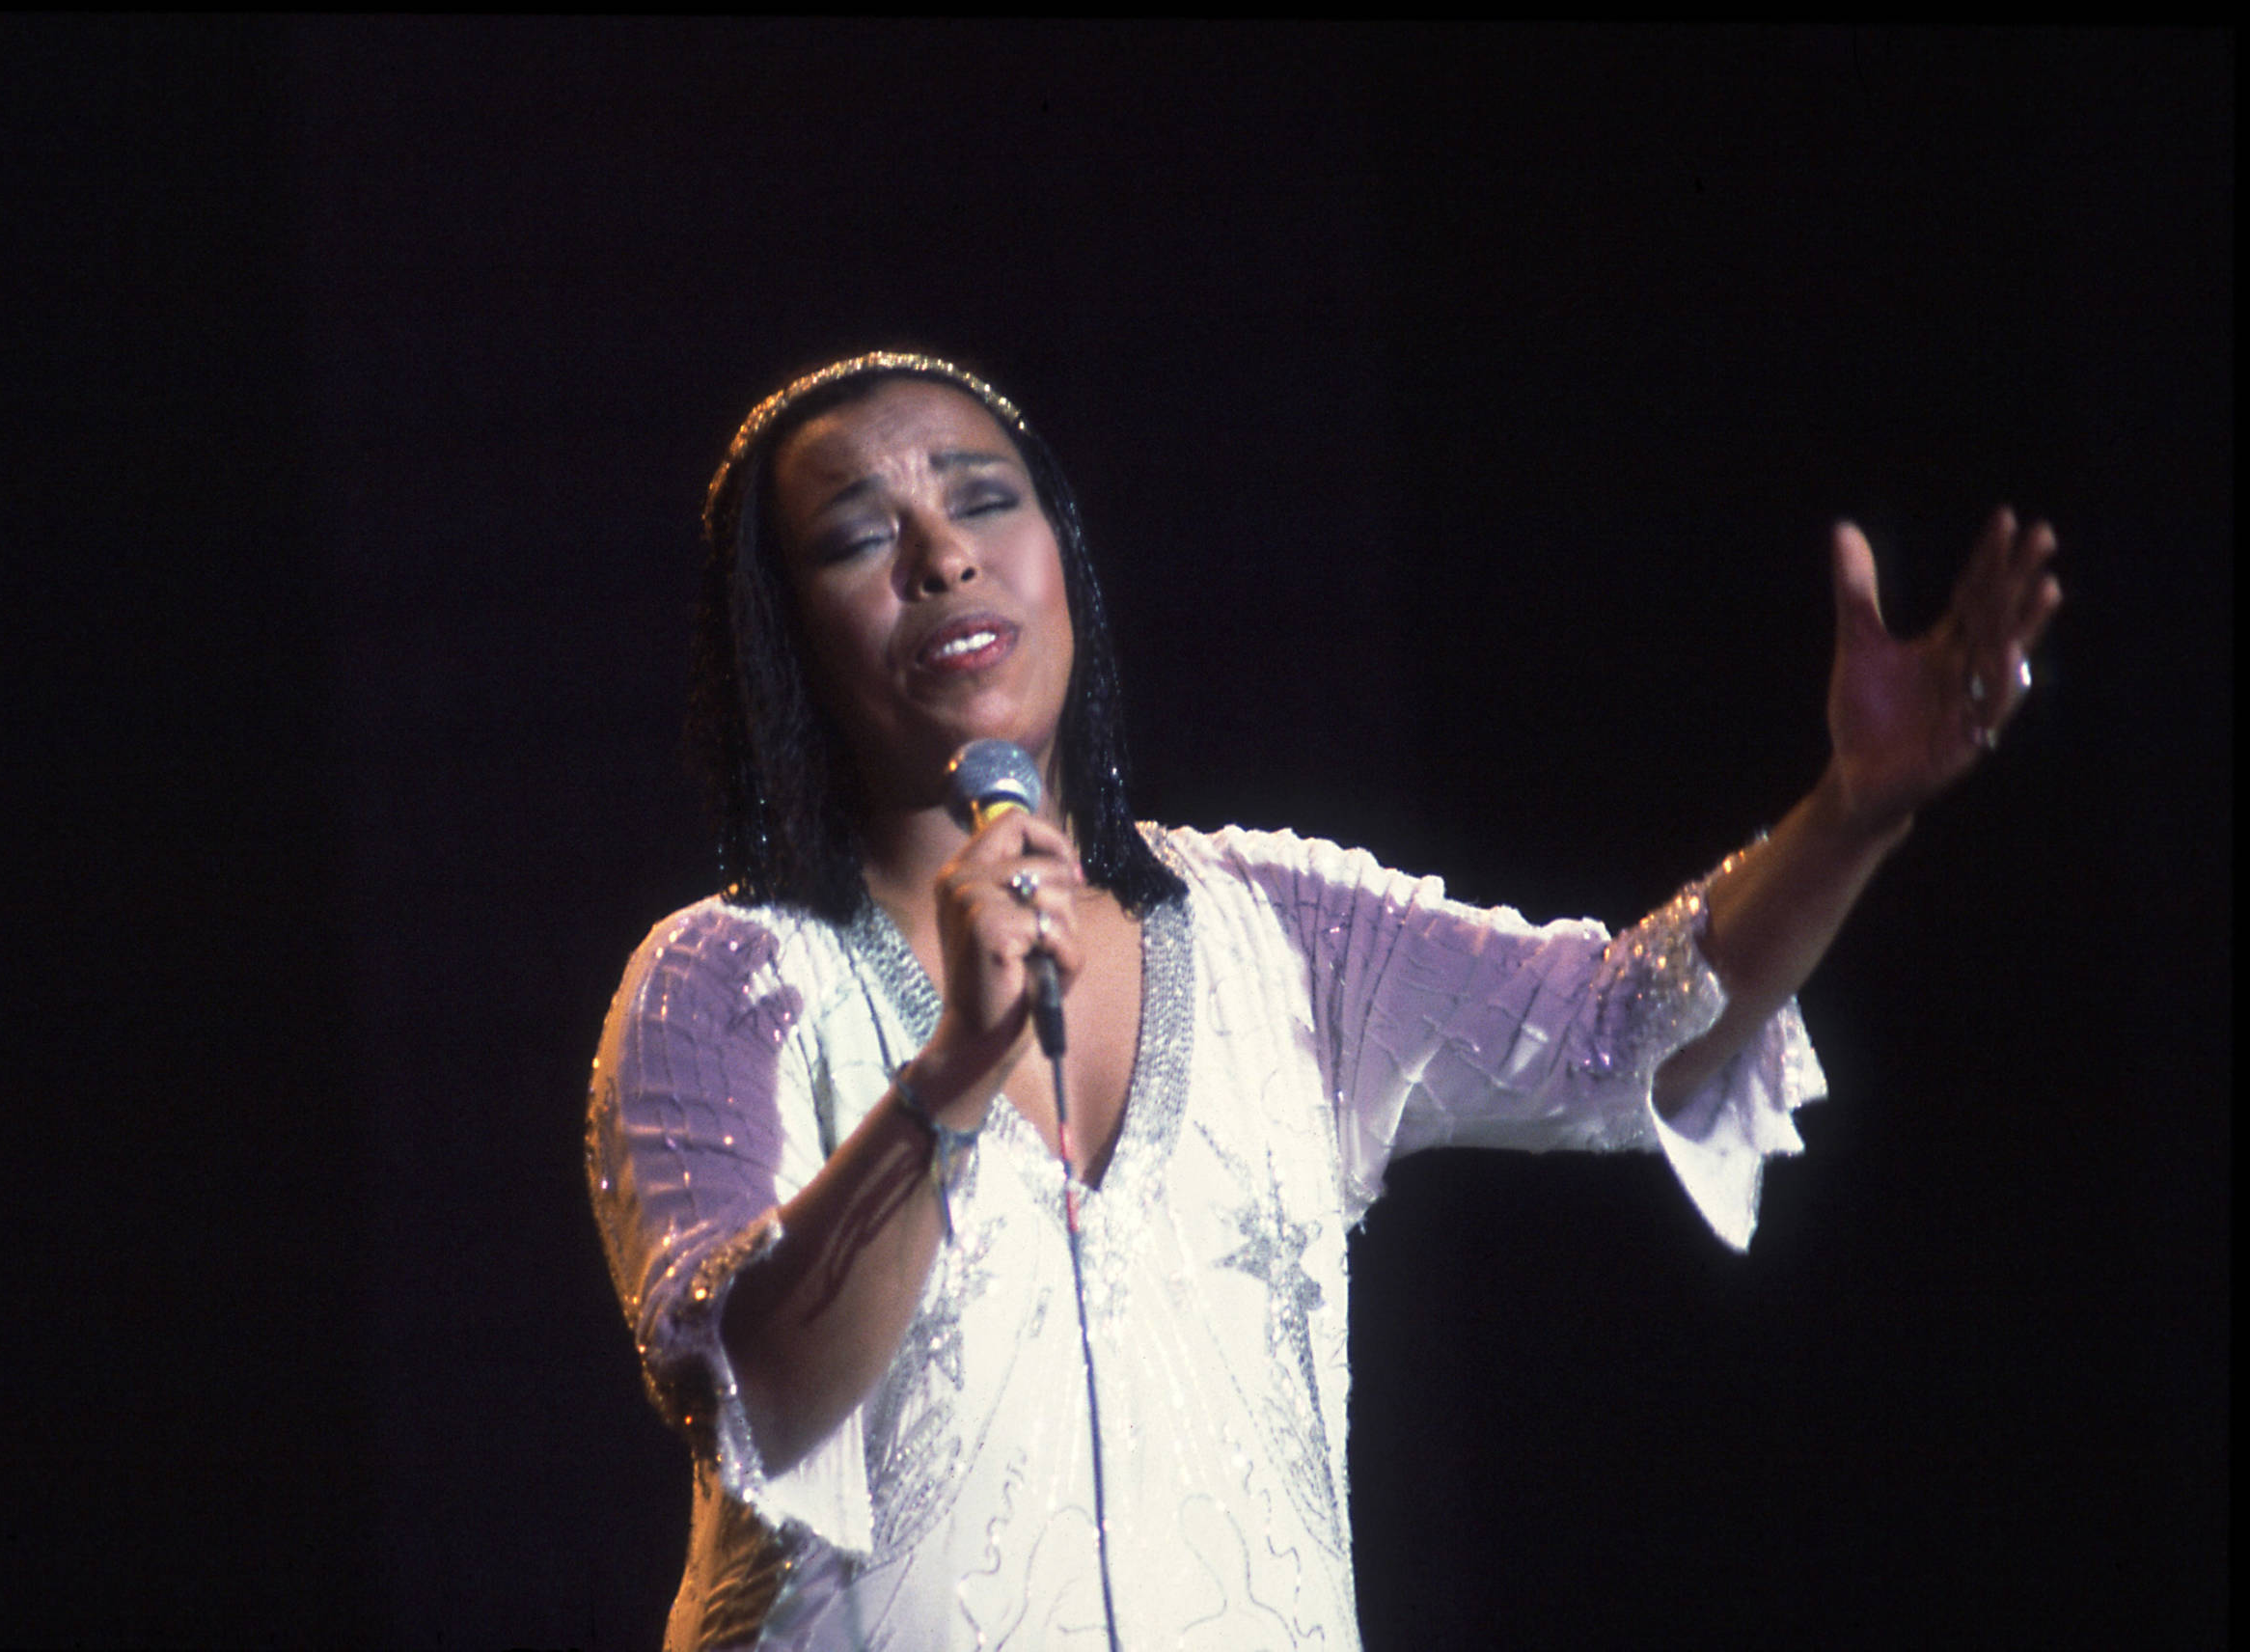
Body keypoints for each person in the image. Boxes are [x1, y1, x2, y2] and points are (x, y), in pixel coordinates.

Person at [586, 352, 2061, 1650]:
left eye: (983, 501)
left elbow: (1625, 1024)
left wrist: (1855, 814)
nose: (941, 559)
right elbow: (760, 1393)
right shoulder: (726, 981)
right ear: (789, 645)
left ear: (1060, 557)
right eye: (859, 536)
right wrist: (957, 1070)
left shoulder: (1272, 929)